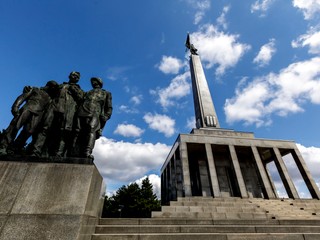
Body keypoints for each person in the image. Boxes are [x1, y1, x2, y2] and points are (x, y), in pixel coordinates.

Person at [31, 71, 83, 157]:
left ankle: (58, 153)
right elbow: (46, 91)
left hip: (67, 110)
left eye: (76, 76)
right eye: (73, 75)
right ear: (69, 76)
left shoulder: (79, 90)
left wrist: (74, 90)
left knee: (63, 132)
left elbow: (80, 99)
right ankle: (36, 151)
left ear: (78, 79)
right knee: (45, 128)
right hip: (53, 107)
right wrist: (30, 89)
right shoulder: (60, 86)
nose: (74, 77)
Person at [0, 81, 59, 155]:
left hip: (38, 114)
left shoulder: (50, 99)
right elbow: (22, 97)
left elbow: (48, 110)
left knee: (29, 131)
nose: (52, 88)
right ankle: (3, 146)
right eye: (52, 86)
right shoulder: (35, 89)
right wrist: (15, 106)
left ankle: (14, 147)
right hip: (27, 109)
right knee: (15, 127)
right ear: (48, 85)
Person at [73, 77, 112, 159]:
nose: (93, 83)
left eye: (95, 81)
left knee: (91, 129)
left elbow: (109, 107)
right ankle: (74, 151)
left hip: (95, 113)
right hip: (81, 112)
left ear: (100, 83)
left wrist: (107, 116)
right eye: (92, 81)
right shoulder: (87, 93)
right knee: (77, 131)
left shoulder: (106, 93)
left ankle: (87, 151)